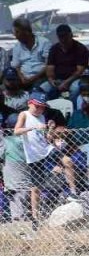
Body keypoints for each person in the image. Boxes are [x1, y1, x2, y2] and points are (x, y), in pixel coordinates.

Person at [13, 96, 55, 226]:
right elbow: (16, 131)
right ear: (29, 104)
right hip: (34, 156)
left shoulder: (42, 118)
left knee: (66, 161)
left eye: (42, 107)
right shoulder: (24, 114)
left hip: (46, 151)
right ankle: (35, 216)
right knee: (36, 187)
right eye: (37, 106)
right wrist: (33, 128)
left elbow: (47, 138)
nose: (39, 109)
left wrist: (50, 129)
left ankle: (72, 192)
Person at [42, 24, 89, 99]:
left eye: (65, 36)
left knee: (76, 89)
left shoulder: (81, 48)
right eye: (61, 37)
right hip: (57, 80)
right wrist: (52, 81)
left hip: (74, 80)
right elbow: (50, 69)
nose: (63, 39)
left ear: (71, 35)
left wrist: (66, 82)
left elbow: (79, 71)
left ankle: (73, 109)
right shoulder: (54, 49)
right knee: (41, 90)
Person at [10, 19, 50, 92]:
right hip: (23, 78)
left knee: (36, 93)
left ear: (26, 32)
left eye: (17, 32)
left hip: (41, 78)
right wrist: (22, 77)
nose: (15, 35)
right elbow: (16, 66)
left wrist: (33, 78)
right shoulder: (17, 47)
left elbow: (48, 65)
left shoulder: (44, 42)